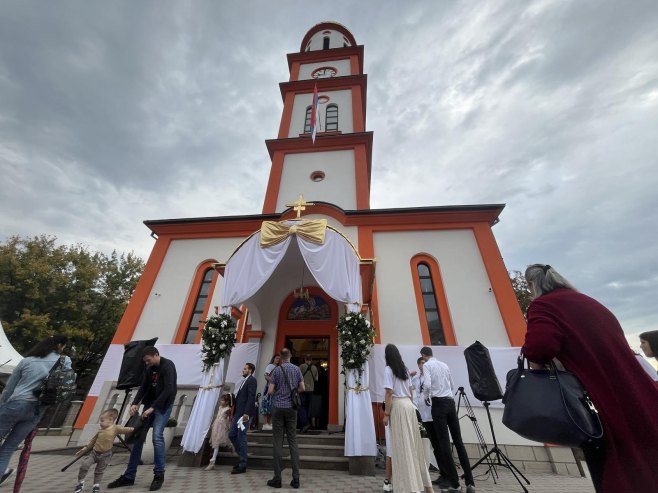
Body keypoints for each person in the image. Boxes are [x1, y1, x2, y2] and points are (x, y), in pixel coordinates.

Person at [523, 264, 658, 492]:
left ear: (532, 284)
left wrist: (535, 370)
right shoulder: (589, 302)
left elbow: (540, 347)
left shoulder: (543, 305)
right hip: (635, 388)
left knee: (616, 464)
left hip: (598, 395)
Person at [0, 334, 72, 487]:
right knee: (9, 448)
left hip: (16, 404)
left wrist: (3, 405)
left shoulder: (27, 361)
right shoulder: (65, 361)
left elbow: (9, 389)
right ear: (60, 346)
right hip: (38, 409)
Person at [108, 347, 177, 492]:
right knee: (138, 438)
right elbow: (144, 387)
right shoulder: (149, 369)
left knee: (157, 437)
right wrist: (135, 403)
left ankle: (159, 474)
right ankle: (129, 476)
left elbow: (169, 389)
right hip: (149, 404)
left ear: (156, 355)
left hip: (163, 405)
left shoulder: (167, 365)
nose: (147, 363)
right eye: (145, 361)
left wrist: (154, 407)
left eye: (148, 360)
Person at [420, 346, 475, 493]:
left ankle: (455, 484)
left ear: (424, 356)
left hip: (438, 403)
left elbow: (427, 385)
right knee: (459, 442)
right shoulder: (444, 364)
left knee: (444, 444)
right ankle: (470, 482)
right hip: (450, 401)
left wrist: (426, 397)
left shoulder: (427, 365)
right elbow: (452, 384)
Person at [382, 344, 432, 493]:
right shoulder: (403, 369)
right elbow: (410, 391)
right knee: (413, 446)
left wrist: (386, 413)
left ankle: (407, 486)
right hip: (409, 406)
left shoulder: (388, 369)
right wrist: (410, 405)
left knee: (400, 447)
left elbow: (389, 393)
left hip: (398, 407)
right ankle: (426, 486)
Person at [74, 408, 136, 493]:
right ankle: (80, 483)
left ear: (110, 420)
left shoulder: (115, 428)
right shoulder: (100, 431)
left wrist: (135, 428)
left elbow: (126, 429)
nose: (100, 422)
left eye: (102, 420)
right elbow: (92, 441)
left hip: (105, 455)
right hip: (94, 453)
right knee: (84, 465)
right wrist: (84, 449)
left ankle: (96, 485)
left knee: (99, 471)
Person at [267, 348, 304, 489]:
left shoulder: (276, 371)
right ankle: (296, 479)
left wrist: (278, 394)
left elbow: (270, 391)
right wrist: (293, 392)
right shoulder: (296, 369)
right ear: (290, 356)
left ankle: (277, 479)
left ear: (281, 357)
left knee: (277, 442)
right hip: (291, 409)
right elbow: (302, 388)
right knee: (292, 441)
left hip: (278, 408)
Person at [411, 357, 445, 480]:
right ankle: (439, 471)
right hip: (422, 412)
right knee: (431, 440)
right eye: (420, 364)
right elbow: (409, 386)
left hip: (432, 412)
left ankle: (444, 471)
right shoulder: (417, 379)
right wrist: (409, 376)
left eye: (424, 363)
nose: (422, 366)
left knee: (438, 442)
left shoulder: (430, 378)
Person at [228, 363, 257, 474]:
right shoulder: (244, 381)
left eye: (245, 369)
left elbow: (251, 397)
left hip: (244, 414)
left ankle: (242, 463)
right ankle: (242, 456)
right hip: (238, 413)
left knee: (241, 436)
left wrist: (246, 414)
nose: (243, 370)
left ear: (250, 370)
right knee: (232, 434)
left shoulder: (252, 380)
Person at [206, 393, 234, 470]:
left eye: (223, 400)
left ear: (227, 401)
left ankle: (212, 462)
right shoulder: (220, 407)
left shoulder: (228, 409)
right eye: (221, 400)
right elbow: (218, 416)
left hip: (222, 427)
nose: (221, 402)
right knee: (215, 442)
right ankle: (229, 446)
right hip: (216, 427)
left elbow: (229, 419)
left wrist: (228, 427)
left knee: (217, 444)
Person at [298, 355, 318, 432]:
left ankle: (305, 424)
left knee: (301, 406)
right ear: (311, 359)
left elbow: (297, 377)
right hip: (311, 390)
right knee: (306, 407)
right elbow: (316, 379)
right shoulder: (315, 368)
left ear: (305, 359)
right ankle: (304, 425)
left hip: (302, 389)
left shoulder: (301, 366)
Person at [260, 354, 280, 430]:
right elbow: (266, 376)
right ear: (273, 359)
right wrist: (274, 381)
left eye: (279, 358)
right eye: (276, 358)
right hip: (269, 388)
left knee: (272, 405)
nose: (278, 360)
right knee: (266, 404)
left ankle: (269, 423)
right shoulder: (270, 366)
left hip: (275, 389)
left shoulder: (279, 367)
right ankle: (265, 423)